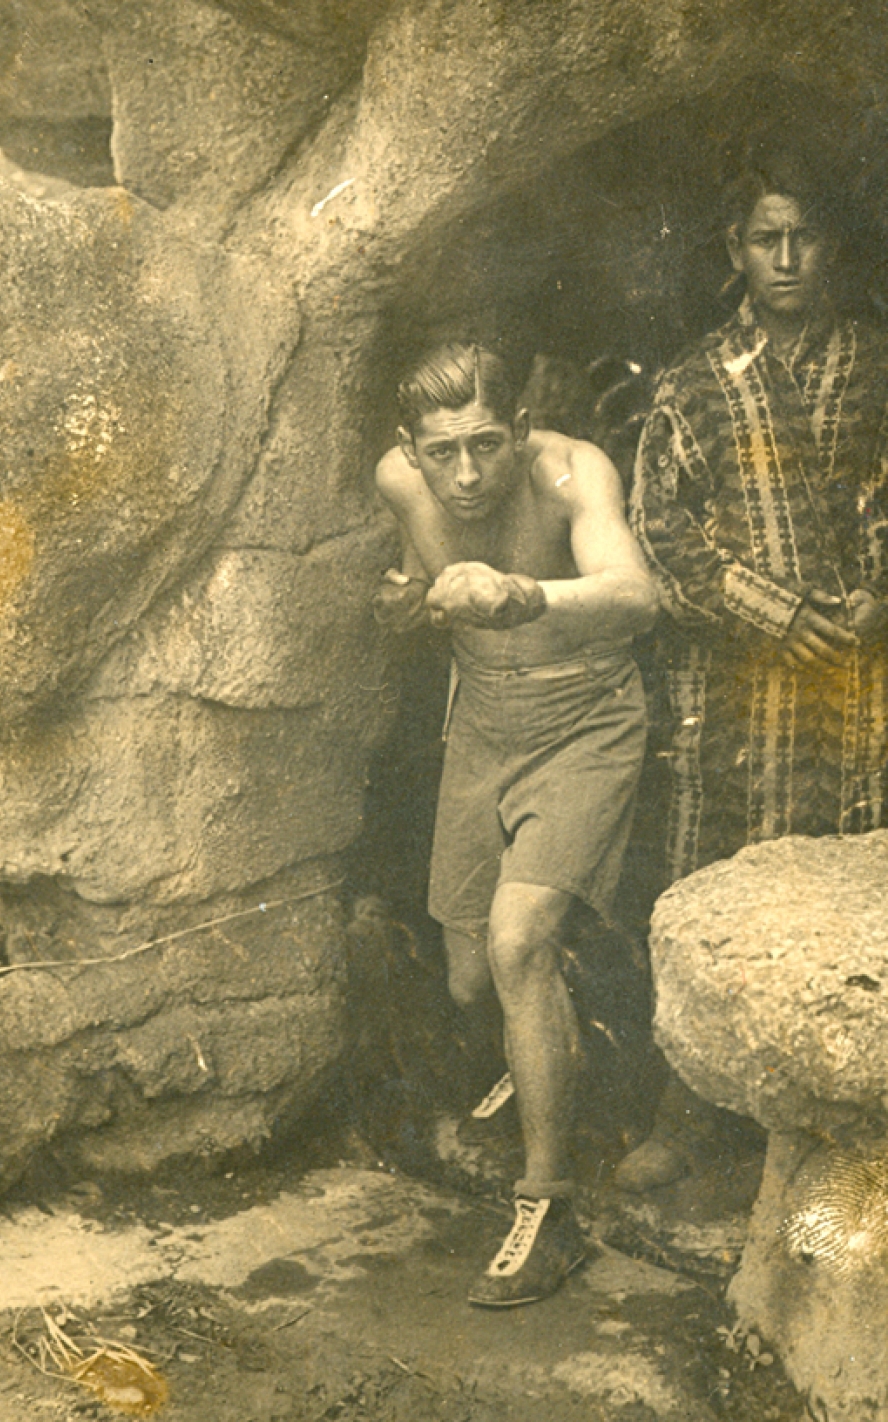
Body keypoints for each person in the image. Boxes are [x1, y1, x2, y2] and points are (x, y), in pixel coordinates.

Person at [620, 136, 888, 1191]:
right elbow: (661, 528)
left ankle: (843, 1143)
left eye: (803, 238)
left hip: (860, 680)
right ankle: (686, 1114)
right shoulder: (693, 382)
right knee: (716, 884)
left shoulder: (874, 364)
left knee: (850, 890)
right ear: (734, 249)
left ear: (830, 248)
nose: (784, 259)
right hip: (740, 690)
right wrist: (770, 612)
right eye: (765, 239)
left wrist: (876, 594)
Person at [373, 342, 658, 1305]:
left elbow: (635, 595)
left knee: (516, 942)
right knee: (470, 977)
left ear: (521, 430)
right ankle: (568, 1039)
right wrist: (406, 599)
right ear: (409, 448)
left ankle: (551, 1208)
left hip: (585, 721)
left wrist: (523, 593)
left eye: (487, 445)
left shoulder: (573, 471)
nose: (466, 474)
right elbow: (417, 584)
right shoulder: (398, 483)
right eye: (442, 452)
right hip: (482, 726)